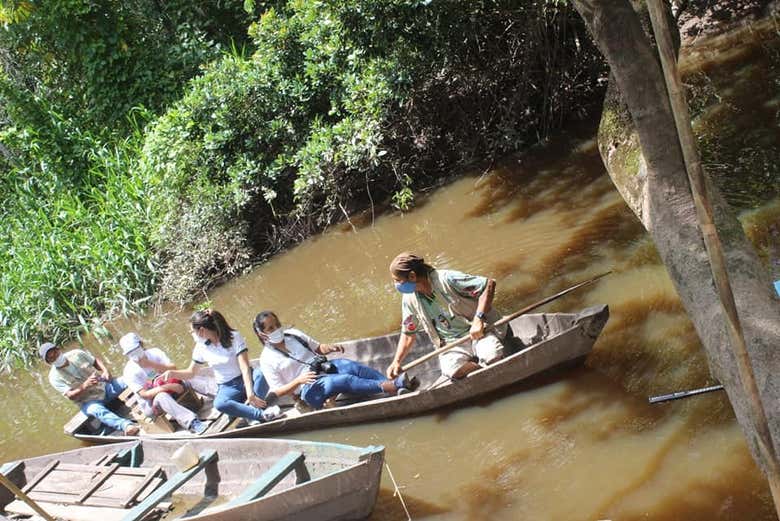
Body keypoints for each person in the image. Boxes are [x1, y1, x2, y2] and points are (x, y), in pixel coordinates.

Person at [253, 310, 419, 411]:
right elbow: (277, 392)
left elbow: (318, 348)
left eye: (277, 324)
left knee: (351, 366)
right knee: (345, 380)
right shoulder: (266, 359)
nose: (276, 329)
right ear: (262, 334)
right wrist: (299, 380)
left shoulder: (294, 334)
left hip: (324, 369)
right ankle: (394, 385)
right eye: (270, 328)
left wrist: (330, 347)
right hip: (308, 389)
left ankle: (394, 388)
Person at [386, 252, 508, 380]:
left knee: (493, 355)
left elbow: (488, 284)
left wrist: (479, 319)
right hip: (450, 343)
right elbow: (408, 333)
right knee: (453, 371)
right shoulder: (409, 299)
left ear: (412, 276)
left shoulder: (447, 278)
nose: (396, 285)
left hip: (481, 331)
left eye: (398, 280)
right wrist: (397, 361)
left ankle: (490, 365)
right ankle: (483, 369)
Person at [161, 309, 281, 424]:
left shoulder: (233, 337)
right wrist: (172, 373)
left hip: (247, 379)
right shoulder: (201, 347)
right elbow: (191, 372)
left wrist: (250, 393)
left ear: (201, 330)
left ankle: (248, 410)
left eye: (192, 332)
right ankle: (260, 415)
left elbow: (244, 368)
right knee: (220, 404)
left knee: (261, 373)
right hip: (228, 387)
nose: (192, 335)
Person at [41, 342, 140, 436]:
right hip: (89, 401)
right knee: (95, 410)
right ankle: (126, 426)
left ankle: (149, 392)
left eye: (55, 353)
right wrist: (85, 386)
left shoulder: (76, 354)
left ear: (58, 349)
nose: (56, 358)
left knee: (128, 379)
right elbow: (70, 395)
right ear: (49, 363)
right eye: (51, 358)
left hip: (105, 387)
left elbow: (95, 361)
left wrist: (105, 371)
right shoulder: (54, 377)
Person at [119, 332, 208, 434]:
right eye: (130, 353)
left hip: (172, 387)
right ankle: (192, 422)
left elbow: (174, 368)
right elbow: (145, 395)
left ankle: (218, 392)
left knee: (187, 375)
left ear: (141, 345)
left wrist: (150, 364)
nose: (134, 354)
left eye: (135, 350)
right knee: (162, 396)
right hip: (152, 403)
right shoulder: (129, 371)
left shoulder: (155, 352)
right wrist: (168, 387)